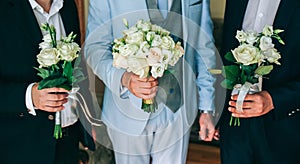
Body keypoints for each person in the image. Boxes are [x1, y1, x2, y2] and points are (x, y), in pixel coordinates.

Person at [84, 0, 217, 163]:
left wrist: (207, 107)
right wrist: (124, 79)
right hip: (127, 110)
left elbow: (204, 48)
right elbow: (95, 47)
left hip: (178, 111)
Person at [0, 0, 94, 163]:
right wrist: (30, 97)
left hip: (69, 141)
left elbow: (78, 66)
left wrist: (87, 120)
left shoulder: (68, 5)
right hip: (20, 147)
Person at [219, 0, 300, 163]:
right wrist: (216, 112)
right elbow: (225, 53)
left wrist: (273, 99)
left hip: (286, 128)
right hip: (234, 125)